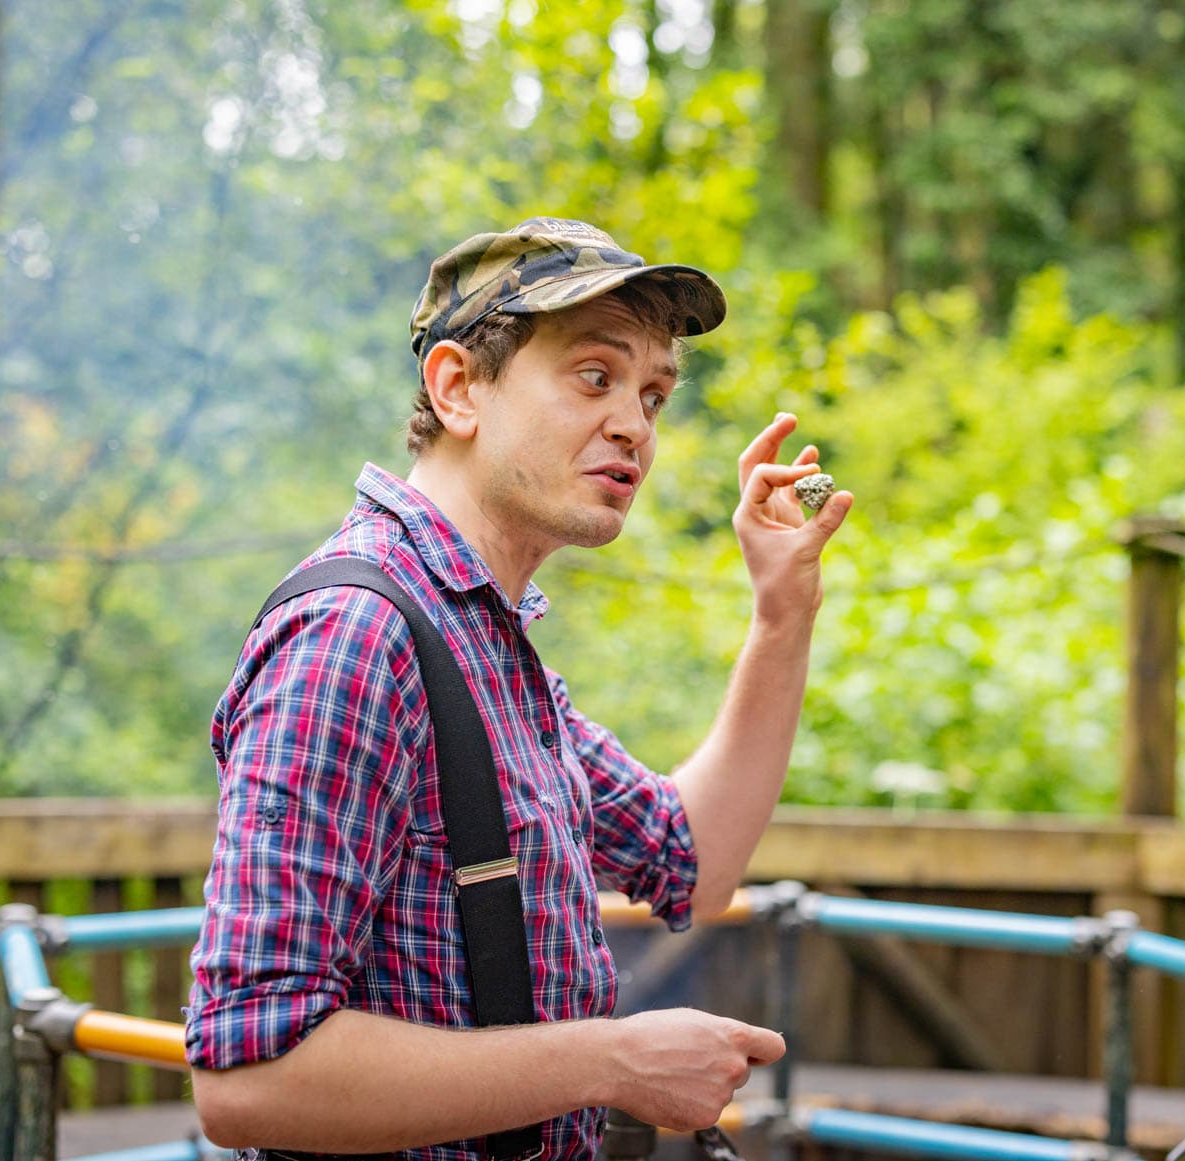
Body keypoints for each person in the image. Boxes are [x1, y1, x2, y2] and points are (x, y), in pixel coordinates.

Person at [185, 217, 854, 1159]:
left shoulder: (487, 642)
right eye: (595, 375)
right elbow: (250, 1075)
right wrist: (610, 1062)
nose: (635, 423)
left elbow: (692, 861)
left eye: (654, 395)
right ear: (458, 388)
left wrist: (782, 616)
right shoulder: (356, 635)